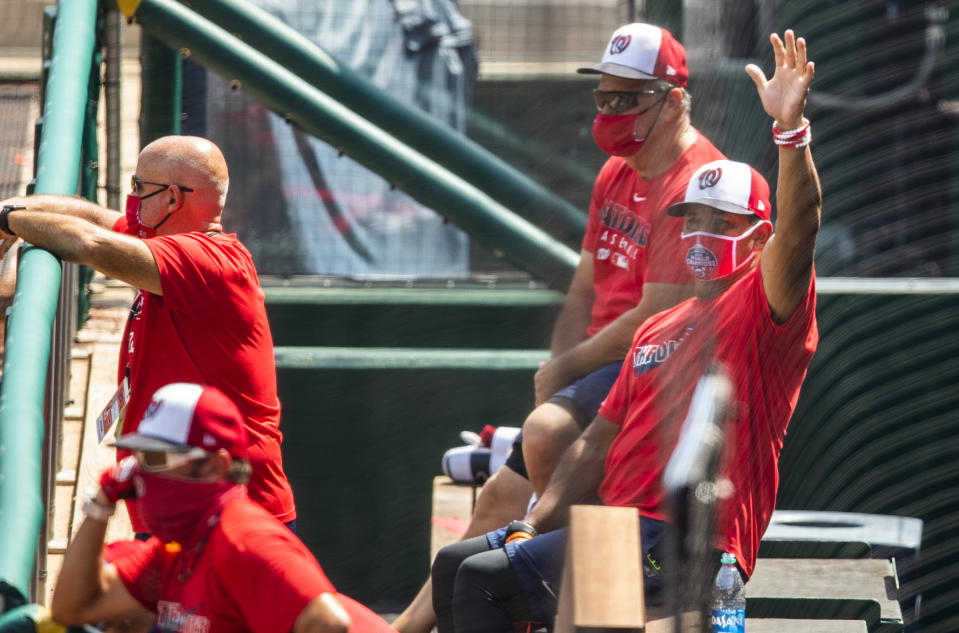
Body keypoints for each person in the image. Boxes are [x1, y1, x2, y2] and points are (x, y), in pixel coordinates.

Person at [431, 29, 821, 632]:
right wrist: (534, 524)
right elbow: (592, 446)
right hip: (621, 528)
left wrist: (790, 134)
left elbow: (800, 229)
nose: (700, 233)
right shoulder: (655, 328)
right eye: (692, 220)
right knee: (459, 562)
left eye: (721, 222)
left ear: (760, 237)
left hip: (695, 541)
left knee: (486, 581)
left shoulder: (763, 308)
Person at [392, 23, 724, 633]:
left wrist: (564, 374)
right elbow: (582, 290)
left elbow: (652, 319)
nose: (610, 111)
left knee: (545, 437)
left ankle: (556, 600)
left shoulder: (698, 182)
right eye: (604, 97)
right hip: (597, 367)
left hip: (660, 368)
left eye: (627, 99)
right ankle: (406, 628)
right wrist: (558, 371)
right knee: (499, 494)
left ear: (673, 99)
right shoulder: (616, 171)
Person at [0, 136, 296, 533]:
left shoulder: (211, 262)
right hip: (180, 504)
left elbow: (87, 241)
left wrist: (7, 223)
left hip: (236, 519)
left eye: (139, 188)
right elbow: (93, 220)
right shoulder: (165, 242)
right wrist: (11, 210)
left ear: (172, 199)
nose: (132, 199)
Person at [50, 382, 394, 633]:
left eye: (155, 458)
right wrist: (100, 505)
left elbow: (329, 623)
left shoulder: (244, 537)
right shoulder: (176, 549)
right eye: (139, 457)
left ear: (214, 466)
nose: (139, 471)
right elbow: (74, 607)